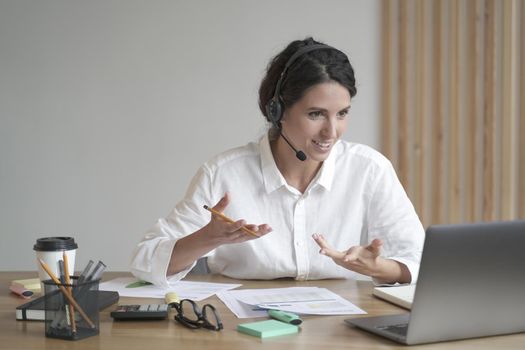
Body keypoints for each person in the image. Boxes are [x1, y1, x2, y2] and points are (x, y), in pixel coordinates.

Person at [130, 37, 425, 288]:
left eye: (342, 114)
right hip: (240, 328)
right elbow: (144, 260)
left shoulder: (369, 169)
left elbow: (420, 261)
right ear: (277, 111)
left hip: (340, 327)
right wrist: (204, 239)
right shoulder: (224, 173)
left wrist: (378, 268)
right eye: (315, 114)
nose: (331, 132)